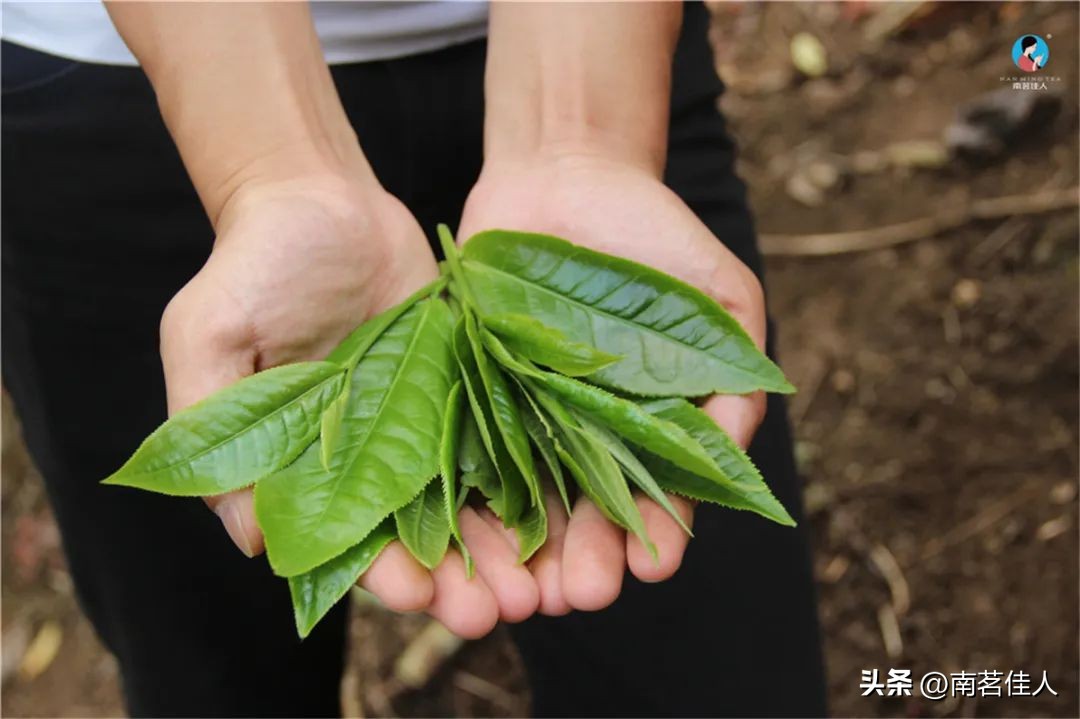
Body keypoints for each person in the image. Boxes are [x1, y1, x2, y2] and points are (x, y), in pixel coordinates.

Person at [2, 2, 826, 716]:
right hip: (121, 80)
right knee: (213, 677)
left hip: (606, 52)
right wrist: (271, 171)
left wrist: (580, 135)